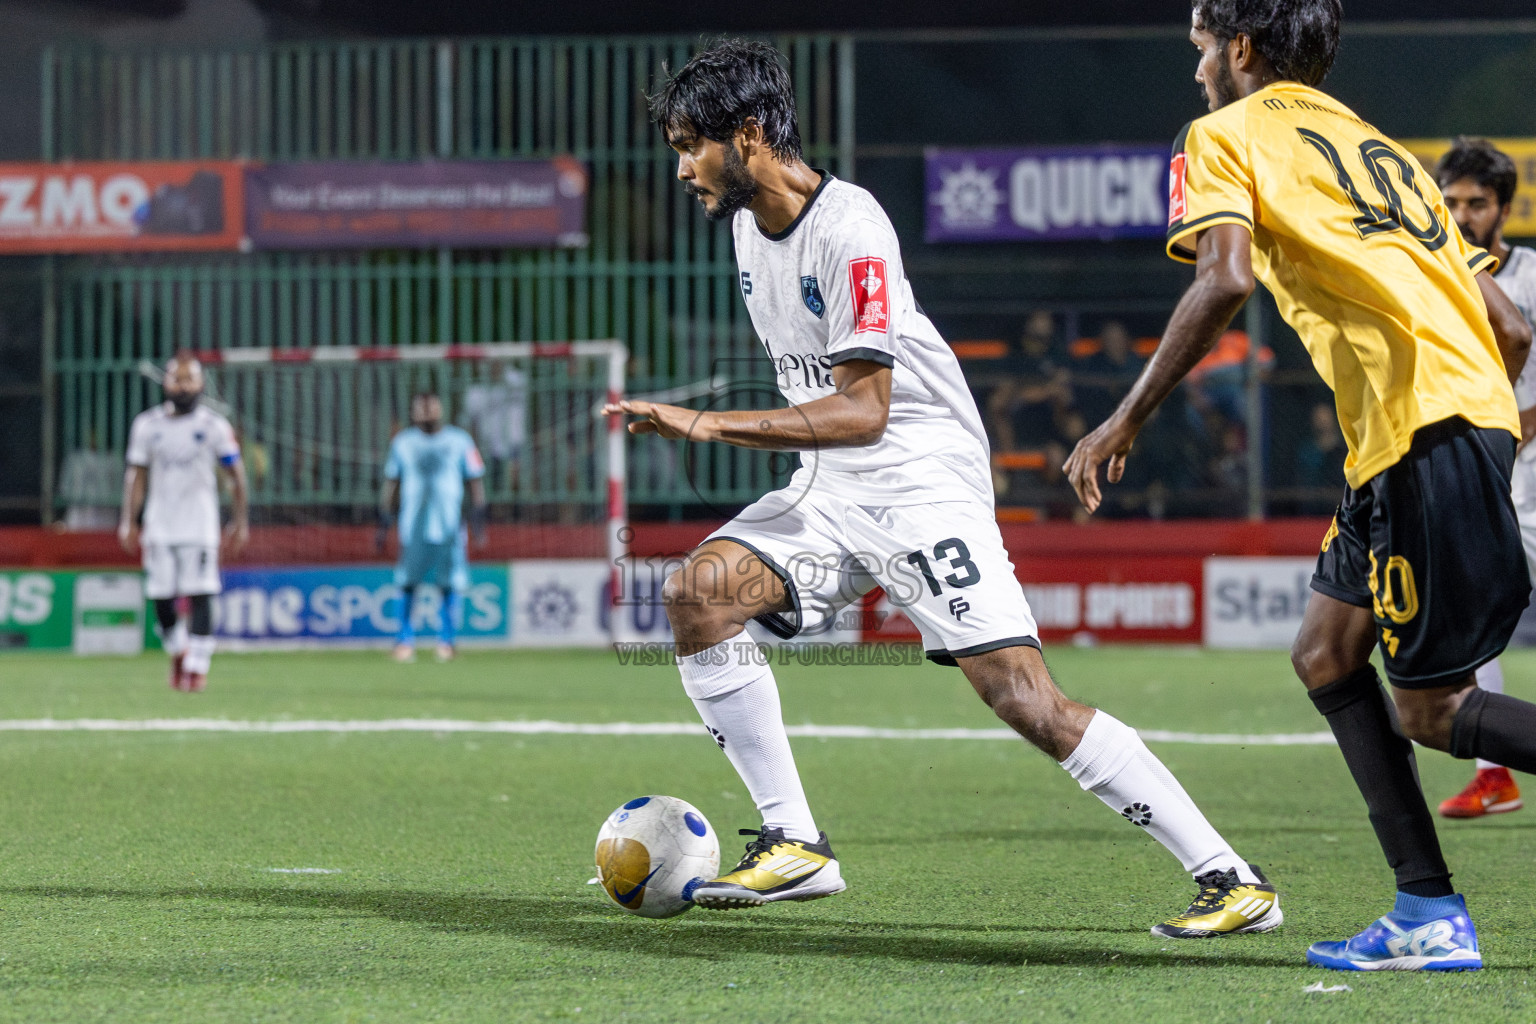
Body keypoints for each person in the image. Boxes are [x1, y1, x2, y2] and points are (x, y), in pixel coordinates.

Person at [608, 38, 1282, 938]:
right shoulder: (743, 228)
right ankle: (795, 843)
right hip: (833, 481)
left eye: (693, 144)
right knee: (698, 594)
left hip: (918, 478)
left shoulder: (851, 227)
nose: (683, 166)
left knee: (1022, 697)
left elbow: (867, 410)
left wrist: (709, 423)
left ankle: (1232, 878)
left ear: (754, 133)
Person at [1066, 0, 1535, 972]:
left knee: (1433, 710)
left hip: (1419, 434)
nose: (1197, 72)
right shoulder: (1382, 149)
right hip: (1432, 427)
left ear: (1238, 49)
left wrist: (1127, 416)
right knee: (1326, 652)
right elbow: (1514, 330)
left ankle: (1433, 913)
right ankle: (1426, 913)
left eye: (1201, 50)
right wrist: (1476, 423)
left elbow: (1226, 274)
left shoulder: (1223, 135)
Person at [1434, 137, 1536, 820]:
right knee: (1468, 613)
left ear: (1505, 206)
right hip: (1487, 469)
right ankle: (1494, 772)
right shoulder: (1438, 277)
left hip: (1526, 458)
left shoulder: (1529, 277)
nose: (1462, 214)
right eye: (1450, 202)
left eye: (1476, 202)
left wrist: (1514, 424)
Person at [118, 353, 248, 692]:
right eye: (178, 378)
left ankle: (197, 668)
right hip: (160, 524)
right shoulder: (147, 425)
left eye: (191, 379)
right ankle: (178, 650)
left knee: (201, 593)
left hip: (200, 525)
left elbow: (236, 474)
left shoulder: (214, 426)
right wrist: (129, 520)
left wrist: (240, 519)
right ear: (167, 382)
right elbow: (136, 475)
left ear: (201, 384)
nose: (184, 385)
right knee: (161, 598)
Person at [378, 393, 488, 663]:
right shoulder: (402, 442)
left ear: (441, 409)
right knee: (406, 582)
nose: (426, 411)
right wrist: (383, 524)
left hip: (449, 526)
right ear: (413, 412)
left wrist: (478, 522)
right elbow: (392, 484)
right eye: (421, 407)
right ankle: (404, 641)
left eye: (431, 406)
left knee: (449, 584)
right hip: (412, 526)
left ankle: (447, 642)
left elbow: (475, 483)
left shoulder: (460, 440)